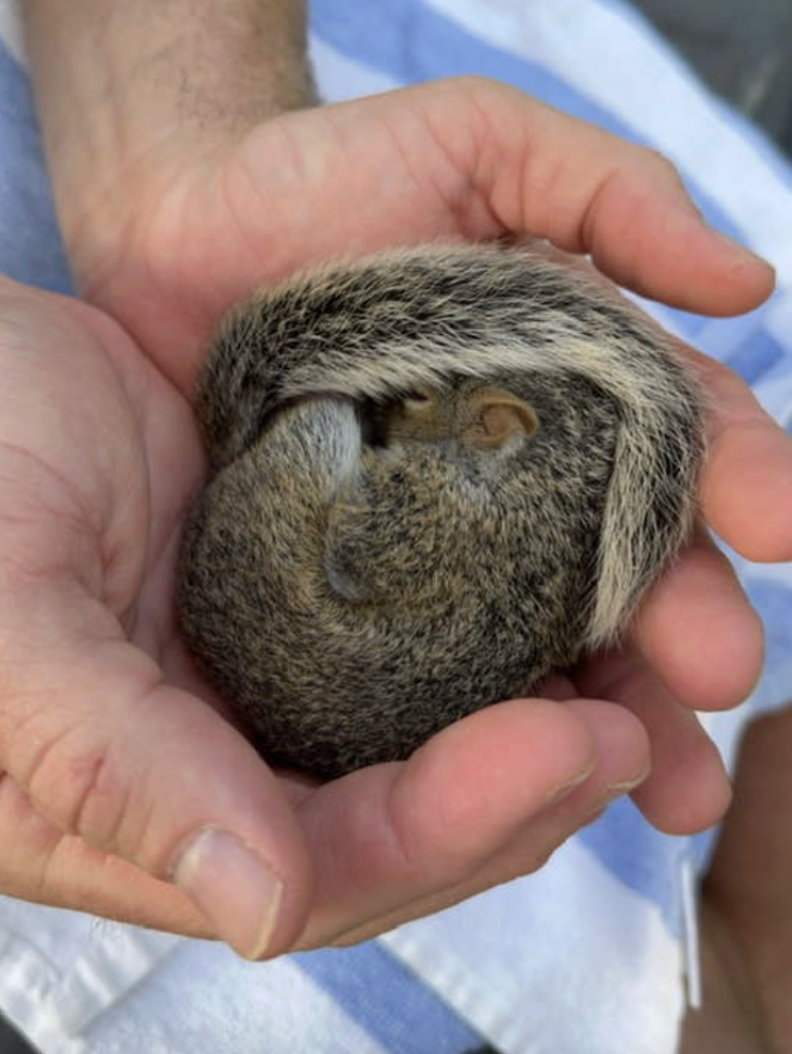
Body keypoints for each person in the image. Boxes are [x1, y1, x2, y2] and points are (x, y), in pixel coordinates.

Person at [0, 1, 790, 1052]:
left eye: (427, 404)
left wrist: (180, 142)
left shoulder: (445, 502)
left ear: (495, 427)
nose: (404, 408)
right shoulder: (491, 530)